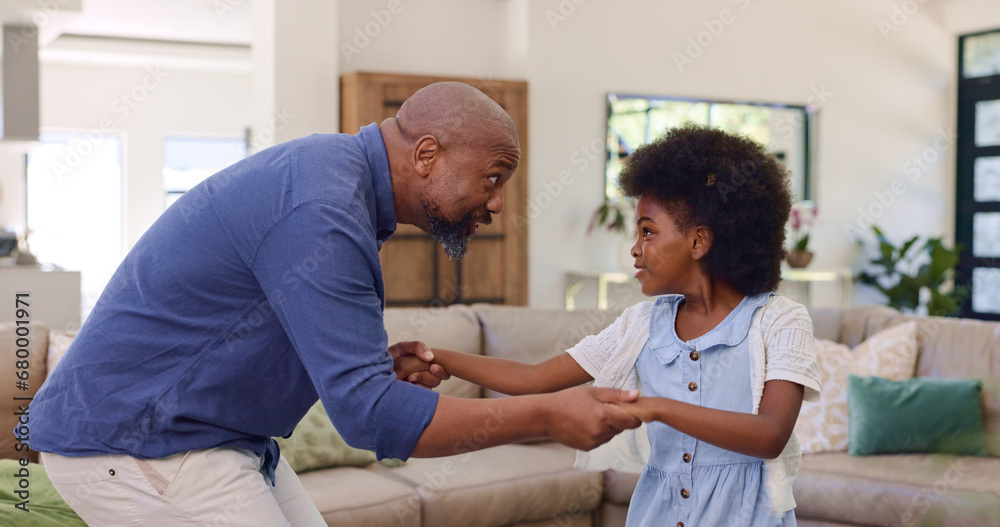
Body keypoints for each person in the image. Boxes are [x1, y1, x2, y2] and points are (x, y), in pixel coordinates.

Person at [26, 82, 641, 526]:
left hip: (210, 438)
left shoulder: (334, 182)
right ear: (426, 155)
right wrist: (547, 415)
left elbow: (287, 338)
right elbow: (367, 416)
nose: (499, 202)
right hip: (135, 442)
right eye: (493, 177)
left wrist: (371, 367)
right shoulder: (323, 209)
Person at [397, 124, 822, 526]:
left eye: (648, 232)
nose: (635, 250)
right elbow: (535, 378)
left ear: (698, 241)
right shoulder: (642, 324)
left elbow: (769, 435)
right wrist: (440, 358)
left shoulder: (779, 321)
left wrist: (655, 408)